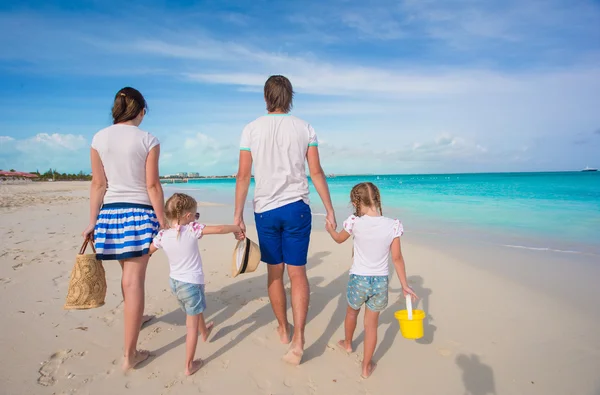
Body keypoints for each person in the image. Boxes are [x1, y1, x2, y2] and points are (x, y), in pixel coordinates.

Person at [234, 75, 336, 365]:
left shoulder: (251, 129)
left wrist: (237, 214)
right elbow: (316, 172)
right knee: (298, 273)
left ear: (266, 97)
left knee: (274, 273)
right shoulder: (305, 127)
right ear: (289, 97)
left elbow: (243, 176)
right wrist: (329, 208)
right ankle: (299, 339)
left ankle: (282, 328)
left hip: (265, 209)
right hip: (297, 208)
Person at [82, 87, 165, 371]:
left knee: (126, 276)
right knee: (134, 281)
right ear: (140, 110)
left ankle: (136, 314)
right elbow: (152, 185)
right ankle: (130, 356)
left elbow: (98, 184)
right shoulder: (148, 139)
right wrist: (163, 222)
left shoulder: (99, 138)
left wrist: (92, 222)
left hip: (110, 214)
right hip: (139, 213)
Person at [324, 182, 418, 379]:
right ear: (377, 199)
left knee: (351, 313)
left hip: (359, 278)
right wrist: (404, 285)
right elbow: (397, 258)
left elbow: (339, 239)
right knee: (371, 325)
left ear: (355, 202)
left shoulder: (353, 222)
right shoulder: (393, 225)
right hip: (380, 281)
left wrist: (330, 229)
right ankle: (366, 367)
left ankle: (348, 344)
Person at [149, 193, 242, 376]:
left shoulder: (162, 235)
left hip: (175, 284)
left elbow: (149, 251)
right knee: (191, 325)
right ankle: (189, 365)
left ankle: (205, 332)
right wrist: (235, 227)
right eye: (195, 214)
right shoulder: (192, 229)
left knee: (195, 310)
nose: (196, 217)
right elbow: (220, 229)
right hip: (191, 284)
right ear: (188, 216)